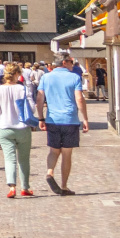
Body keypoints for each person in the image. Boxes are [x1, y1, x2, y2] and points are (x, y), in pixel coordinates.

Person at [37, 54, 87, 195]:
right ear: (64, 62)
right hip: (69, 119)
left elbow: (39, 98)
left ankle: (49, 172)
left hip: (52, 119)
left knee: (53, 150)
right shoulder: (74, 77)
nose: (73, 64)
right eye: (71, 62)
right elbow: (79, 99)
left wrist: (41, 118)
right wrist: (85, 118)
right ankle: (64, 186)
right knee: (66, 153)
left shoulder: (46, 77)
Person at [0, 63, 39, 196]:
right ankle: (25, 187)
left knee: (9, 158)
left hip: (4, 127)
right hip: (22, 127)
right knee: (23, 159)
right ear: (18, 74)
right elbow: (32, 108)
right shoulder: (22, 89)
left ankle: (12, 187)